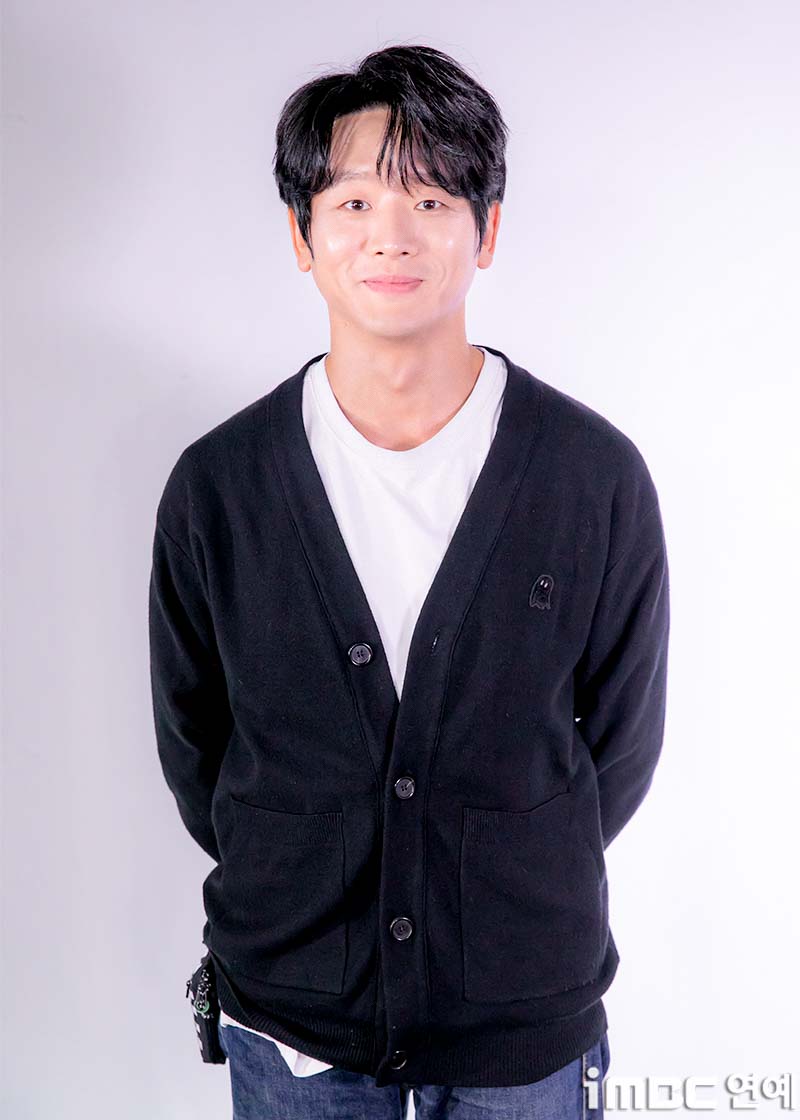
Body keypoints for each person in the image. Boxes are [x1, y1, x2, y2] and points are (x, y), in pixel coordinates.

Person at [149, 42, 670, 1120]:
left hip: (523, 1014)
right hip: (292, 1017)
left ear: (487, 230)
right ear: (302, 235)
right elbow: (197, 747)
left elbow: (618, 748)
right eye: (352, 202)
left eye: (431, 198)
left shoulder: (591, 475)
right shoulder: (219, 486)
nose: (391, 234)